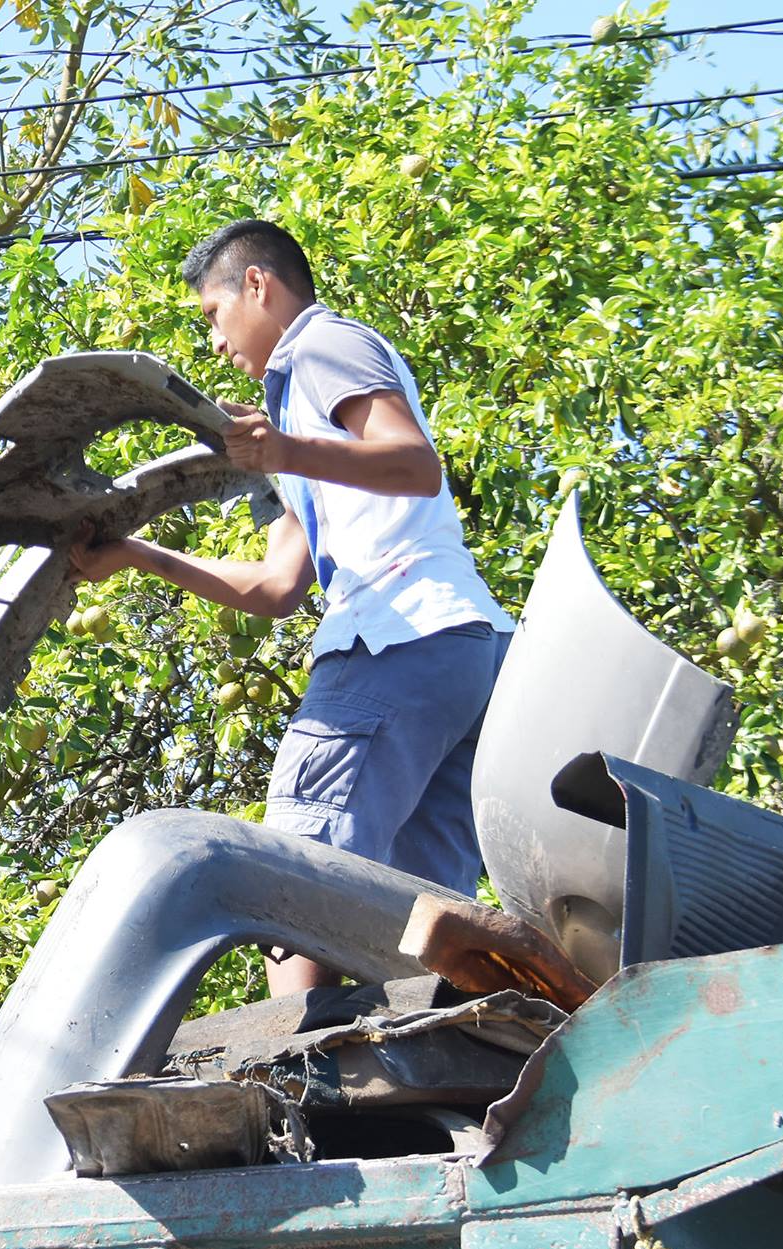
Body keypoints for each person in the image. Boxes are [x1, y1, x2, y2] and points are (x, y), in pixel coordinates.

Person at [69, 218, 514, 996]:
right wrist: (141, 556)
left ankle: (298, 1085)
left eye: (212, 315)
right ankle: (433, 1079)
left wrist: (281, 452)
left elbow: (414, 463)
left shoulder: (320, 345)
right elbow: (278, 588)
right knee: (419, 926)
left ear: (257, 285)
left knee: (294, 880)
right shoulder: (285, 417)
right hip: (461, 657)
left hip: (394, 638)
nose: (214, 343)